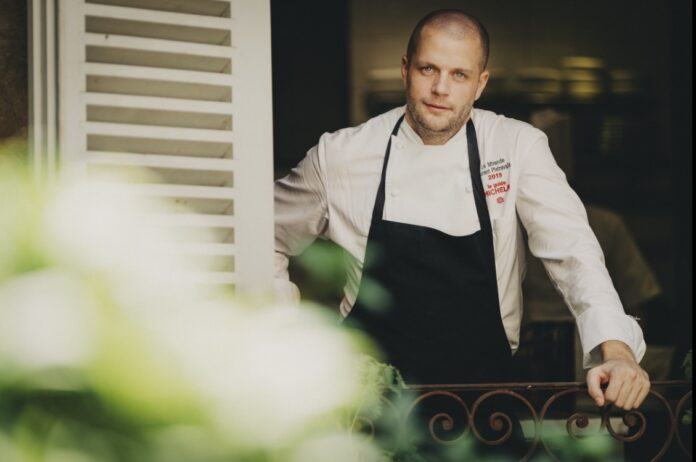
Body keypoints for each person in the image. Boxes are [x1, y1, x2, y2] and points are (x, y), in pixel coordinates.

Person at [274, 9, 650, 412]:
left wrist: (617, 350)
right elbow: (259, 234)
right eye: (427, 69)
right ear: (405, 70)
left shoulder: (516, 146)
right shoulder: (341, 155)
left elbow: (574, 251)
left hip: (485, 409)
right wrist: (281, 331)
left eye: (459, 75)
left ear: (480, 84)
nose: (440, 88)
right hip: (371, 413)